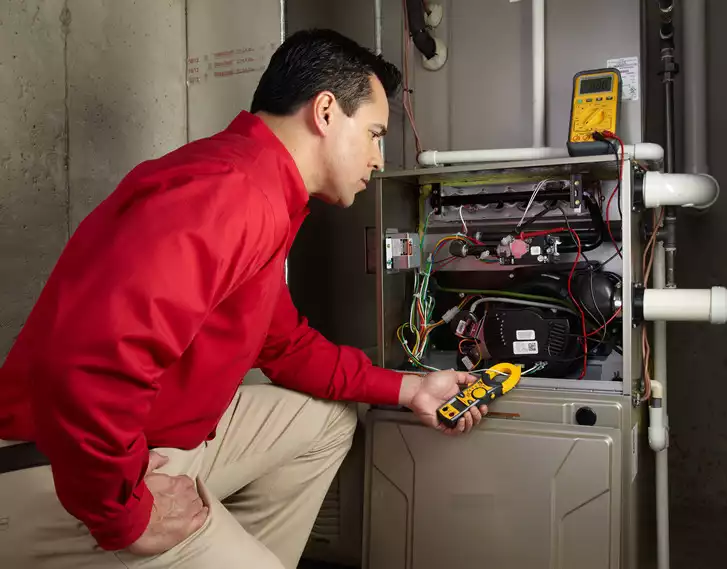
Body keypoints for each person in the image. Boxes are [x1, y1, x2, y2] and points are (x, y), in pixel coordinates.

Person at [0, 29, 486, 569]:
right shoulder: (229, 194)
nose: (377, 159)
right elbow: (87, 367)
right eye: (374, 134)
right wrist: (128, 517)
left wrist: (410, 387)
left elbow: (285, 346)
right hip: (56, 470)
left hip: (164, 438)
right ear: (325, 112)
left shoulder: (257, 189)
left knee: (326, 422)